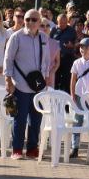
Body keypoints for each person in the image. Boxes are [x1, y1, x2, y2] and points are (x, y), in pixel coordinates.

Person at [4, 10, 59, 160]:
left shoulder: (44, 37)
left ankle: (32, 149)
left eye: (34, 20)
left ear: (39, 21)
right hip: (20, 84)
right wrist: (8, 81)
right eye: (27, 19)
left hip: (38, 85)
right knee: (20, 119)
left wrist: (46, 78)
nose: (29, 22)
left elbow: (47, 60)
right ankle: (16, 149)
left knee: (36, 119)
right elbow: (8, 59)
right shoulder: (16, 37)